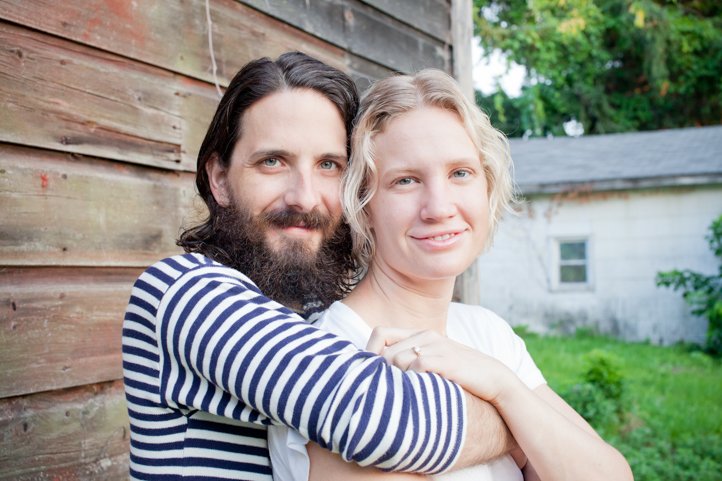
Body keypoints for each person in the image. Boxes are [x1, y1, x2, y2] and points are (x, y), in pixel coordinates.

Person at [122, 52, 520, 481]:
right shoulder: (185, 292)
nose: (304, 197)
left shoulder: (315, 308)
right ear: (219, 178)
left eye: (328, 165)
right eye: (272, 162)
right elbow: (383, 421)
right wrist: (523, 418)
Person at [268, 69, 634, 480]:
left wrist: (501, 385)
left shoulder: (487, 335)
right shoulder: (338, 360)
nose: (439, 207)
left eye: (461, 173)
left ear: (487, 185)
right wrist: (521, 431)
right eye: (406, 180)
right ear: (365, 206)